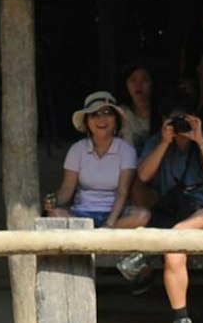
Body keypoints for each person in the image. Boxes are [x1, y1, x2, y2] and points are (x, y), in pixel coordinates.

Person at [124, 108, 203, 323]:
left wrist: (200, 139)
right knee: (173, 250)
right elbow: (143, 176)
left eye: (184, 120)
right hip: (173, 212)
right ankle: (181, 318)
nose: (180, 126)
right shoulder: (157, 141)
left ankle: (145, 252)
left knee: (181, 231)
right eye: (174, 120)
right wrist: (165, 143)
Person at [46, 92, 141, 229]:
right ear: (87, 121)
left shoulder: (126, 150)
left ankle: (93, 235)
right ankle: (96, 235)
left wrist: (109, 224)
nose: (101, 119)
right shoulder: (77, 149)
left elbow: (123, 191)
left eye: (107, 113)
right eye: (94, 114)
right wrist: (52, 201)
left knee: (142, 216)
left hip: (116, 215)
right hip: (82, 213)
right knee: (55, 215)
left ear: (116, 119)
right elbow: (67, 189)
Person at [118, 60, 159, 152]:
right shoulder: (120, 113)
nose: (138, 85)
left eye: (145, 80)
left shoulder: (161, 113)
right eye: (133, 80)